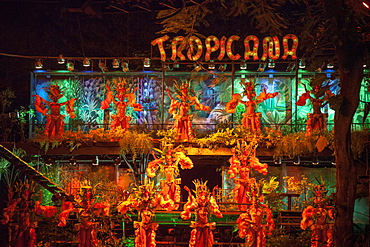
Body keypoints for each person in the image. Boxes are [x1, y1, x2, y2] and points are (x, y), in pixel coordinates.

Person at [146, 145, 193, 210]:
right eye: (167, 159)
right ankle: (165, 206)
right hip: (166, 182)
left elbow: (179, 161)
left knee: (173, 195)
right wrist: (154, 158)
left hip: (172, 181)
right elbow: (156, 162)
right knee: (165, 194)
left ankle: (173, 207)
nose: (169, 160)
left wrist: (180, 157)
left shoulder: (174, 166)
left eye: (170, 158)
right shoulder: (163, 166)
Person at [180, 180, 223, 247]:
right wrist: (189, 192)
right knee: (198, 238)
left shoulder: (208, 201)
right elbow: (191, 200)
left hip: (206, 222)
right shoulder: (197, 201)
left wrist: (213, 191)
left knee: (206, 239)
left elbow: (212, 200)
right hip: (199, 222)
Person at [228, 141, 268, 211]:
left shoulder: (249, 166)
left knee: (248, 195)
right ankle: (240, 208)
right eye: (243, 160)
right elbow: (234, 162)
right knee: (240, 195)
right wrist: (234, 153)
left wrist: (254, 152)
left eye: (245, 160)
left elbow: (254, 160)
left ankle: (248, 208)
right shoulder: (239, 166)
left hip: (248, 181)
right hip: (241, 181)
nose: (244, 161)